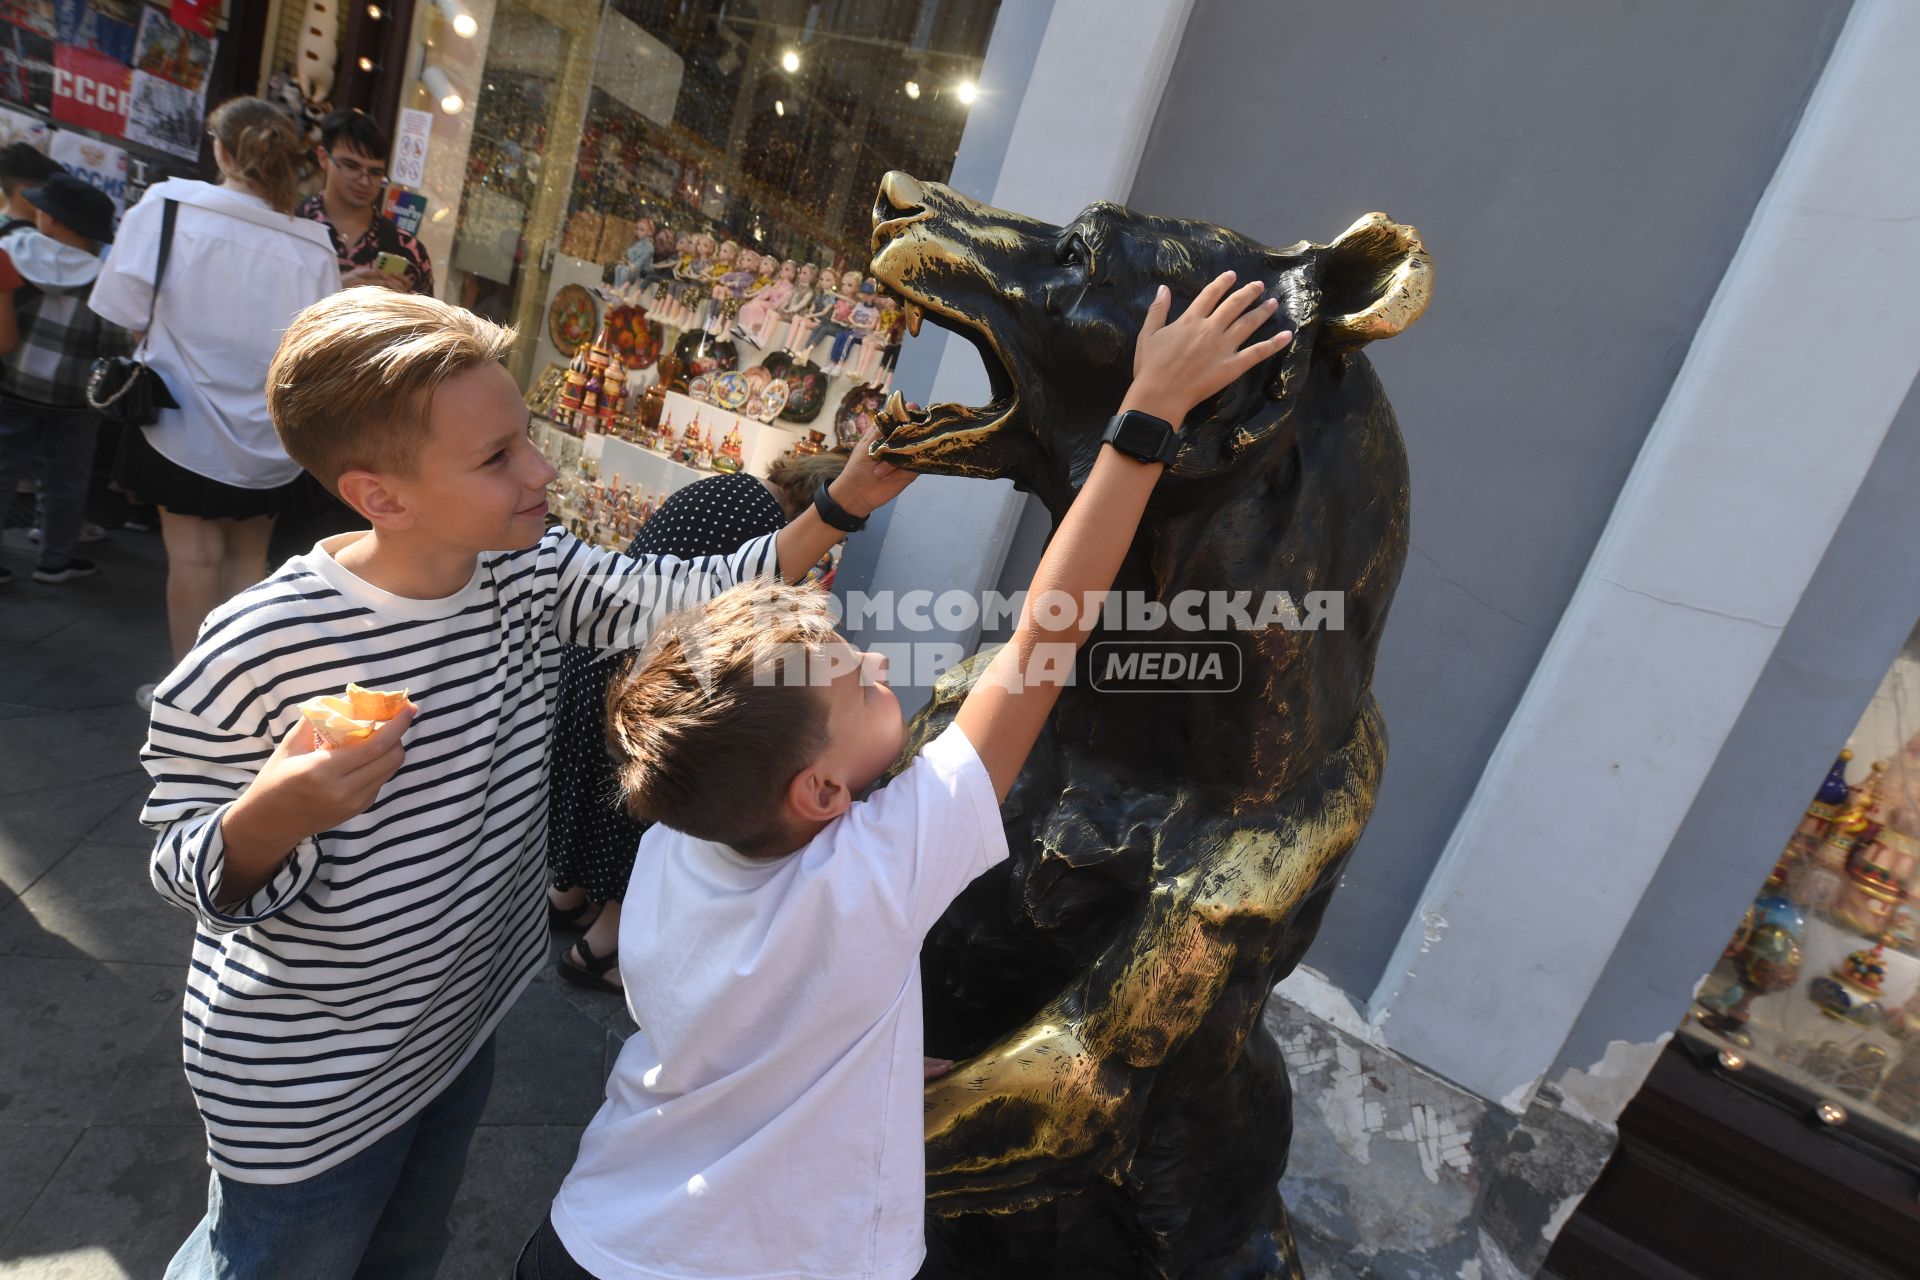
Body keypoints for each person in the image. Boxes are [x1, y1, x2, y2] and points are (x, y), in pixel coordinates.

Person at [523, 271, 1292, 1280]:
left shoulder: (682, 831)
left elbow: (752, 1027)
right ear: (821, 791)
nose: (880, 663)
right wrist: (1148, 415)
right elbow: (1042, 637)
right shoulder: (874, 875)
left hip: (594, 1230)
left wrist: (868, 1062)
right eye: (857, 679)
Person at [139, 287, 915, 1280]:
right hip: (306, 1086)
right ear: (382, 496)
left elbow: (673, 592)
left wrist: (840, 502)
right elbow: (184, 860)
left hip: (453, 1034)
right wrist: (273, 816)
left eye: (527, 438)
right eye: (496, 456)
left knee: (407, 1248)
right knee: (276, 1262)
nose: (539, 469)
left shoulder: (526, 571)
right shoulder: (262, 644)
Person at [545, 452, 853, 991]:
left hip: (605, 662)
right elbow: (737, 615)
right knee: (638, 809)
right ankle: (601, 948)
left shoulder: (731, 490)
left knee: (592, 789)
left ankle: (567, 899)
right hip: (648, 678)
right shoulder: (760, 520)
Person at [89, 96, 339, 708]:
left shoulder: (169, 208)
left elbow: (118, 307)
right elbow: (315, 348)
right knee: (247, 561)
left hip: (178, 419)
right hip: (268, 437)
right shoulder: (313, 245)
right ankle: (230, 698)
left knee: (193, 556)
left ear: (221, 150)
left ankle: (184, 698)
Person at [0, 173, 130, 586]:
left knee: (3, 469)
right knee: (66, 478)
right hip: (74, 397)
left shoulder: (13, 251)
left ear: (53, 220)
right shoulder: (104, 276)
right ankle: (53, 560)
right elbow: (112, 343)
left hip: (12, 383)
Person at [298, 109, 435, 296]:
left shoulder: (407, 250)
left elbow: (428, 324)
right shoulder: (291, 227)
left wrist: (401, 309)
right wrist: (333, 290)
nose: (364, 181)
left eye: (375, 173)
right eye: (351, 167)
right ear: (323, 158)